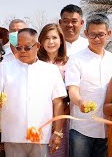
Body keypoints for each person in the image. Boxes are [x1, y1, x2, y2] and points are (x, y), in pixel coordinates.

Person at [0, 28, 67, 157]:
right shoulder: (5, 68)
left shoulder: (51, 70)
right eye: (18, 48)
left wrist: (58, 132)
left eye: (27, 48)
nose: (22, 51)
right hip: (13, 134)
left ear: (37, 46)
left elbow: (58, 103)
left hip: (40, 134)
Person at [65, 14, 112, 157]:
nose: (97, 39)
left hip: (108, 127)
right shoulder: (76, 59)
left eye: (101, 35)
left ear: (109, 34)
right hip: (82, 128)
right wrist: (79, 102)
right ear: (86, 34)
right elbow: (72, 89)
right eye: (92, 35)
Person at [38, 23, 69, 157]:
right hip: (39, 118)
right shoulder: (35, 63)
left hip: (60, 118)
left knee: (57, 151)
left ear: (61, 40)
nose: (51, 42)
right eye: (47, 38)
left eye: (54, 38)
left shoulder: (69, 64)